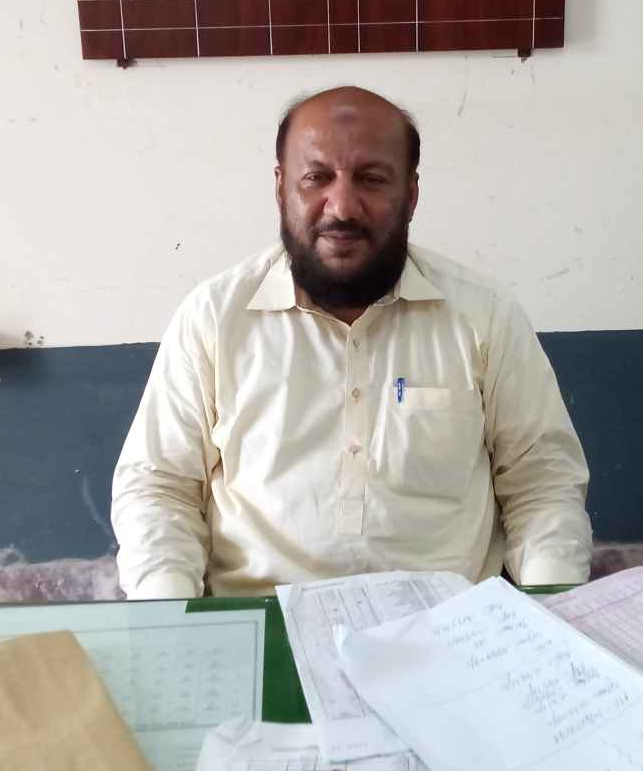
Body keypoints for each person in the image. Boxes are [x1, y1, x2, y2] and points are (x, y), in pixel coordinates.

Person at [111, 86, 591, 598]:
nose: (341, 207)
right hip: (259, 618)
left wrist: (555, 610)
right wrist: (172, 617)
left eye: (372, 179)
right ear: (281, 188)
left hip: (452, 624)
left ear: (411, 196)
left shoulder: (484, 315)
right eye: (316, 177)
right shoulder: (213, 317)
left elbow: (542, 482)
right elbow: (158, 486)